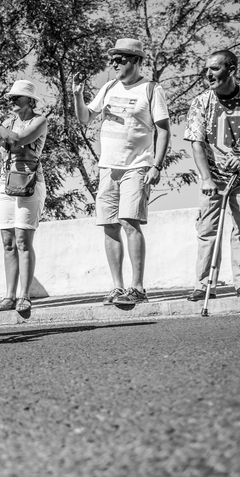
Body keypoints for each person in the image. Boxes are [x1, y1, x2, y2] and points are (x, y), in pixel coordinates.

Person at [72, 38, 171, 306]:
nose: (115, 63)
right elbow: (84, 118)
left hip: (137, 166)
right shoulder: (110, 86)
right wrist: (77, 94)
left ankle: (137, 288)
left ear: (137, 61)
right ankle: (118, 288)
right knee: (109, 226)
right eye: (113, 58)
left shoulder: (151, 89)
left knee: (129, 222)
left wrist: (156, 165)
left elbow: (163, 130)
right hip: (108, 167)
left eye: (122, 58)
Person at [183, 50, 240, 302]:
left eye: (214, 69)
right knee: (208, 229)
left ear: (231, 70)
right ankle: (204, 284)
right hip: (213, 177)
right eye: (207, 69)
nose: (208, 74)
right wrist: (206, 178)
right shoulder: (202, 101)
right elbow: (197, 143)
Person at [0, 79, 48, 314]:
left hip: (29, 182)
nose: (11, 101)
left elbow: (16, 140)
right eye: (10, 97)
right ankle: (9, 296)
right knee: (8, 242)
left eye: (16, 97)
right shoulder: (7, 122)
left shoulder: (39, 121)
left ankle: (24, 296)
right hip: (6, 185)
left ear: (29, 100)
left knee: (23, 241)